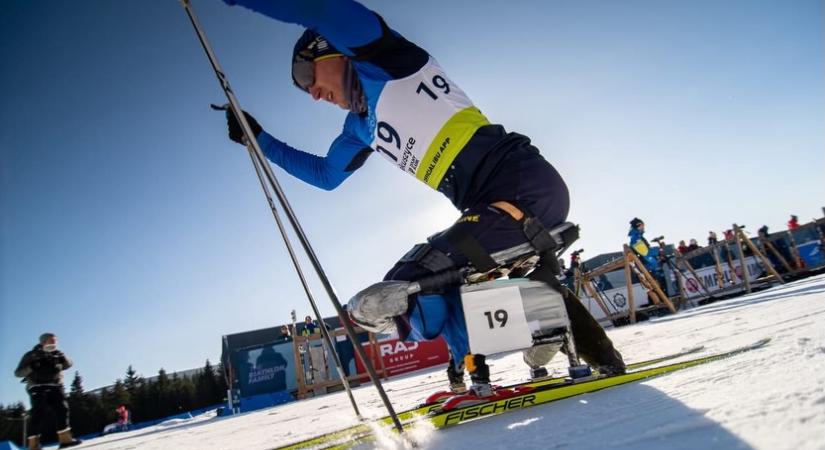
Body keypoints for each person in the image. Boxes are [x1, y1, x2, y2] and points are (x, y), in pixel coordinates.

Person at [221, 0, 624, 393]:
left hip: (523, 185)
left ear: (332, 48)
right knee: (413, 283)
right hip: (488, 209)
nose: (311, 92)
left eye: (306, 73)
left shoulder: (388, 58)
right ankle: (548, 343)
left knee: (414, 281)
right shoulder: (357, 130)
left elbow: (321, 9)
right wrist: (258, 140)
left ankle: (534, 336)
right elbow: (327, 176)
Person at [14, 333, 81, 450]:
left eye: (55, 341)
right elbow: (18, 373)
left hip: (56, 385)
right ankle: (33, 445)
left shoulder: (57, 353)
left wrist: (63, 358)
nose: (54, 343)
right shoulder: (31, 355)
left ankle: (65, 440)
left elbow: (69, 364)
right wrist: (32, 367)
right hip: (37, 386)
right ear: (43, 342)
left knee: (62, 409)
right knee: (39, 412)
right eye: (51, 341)